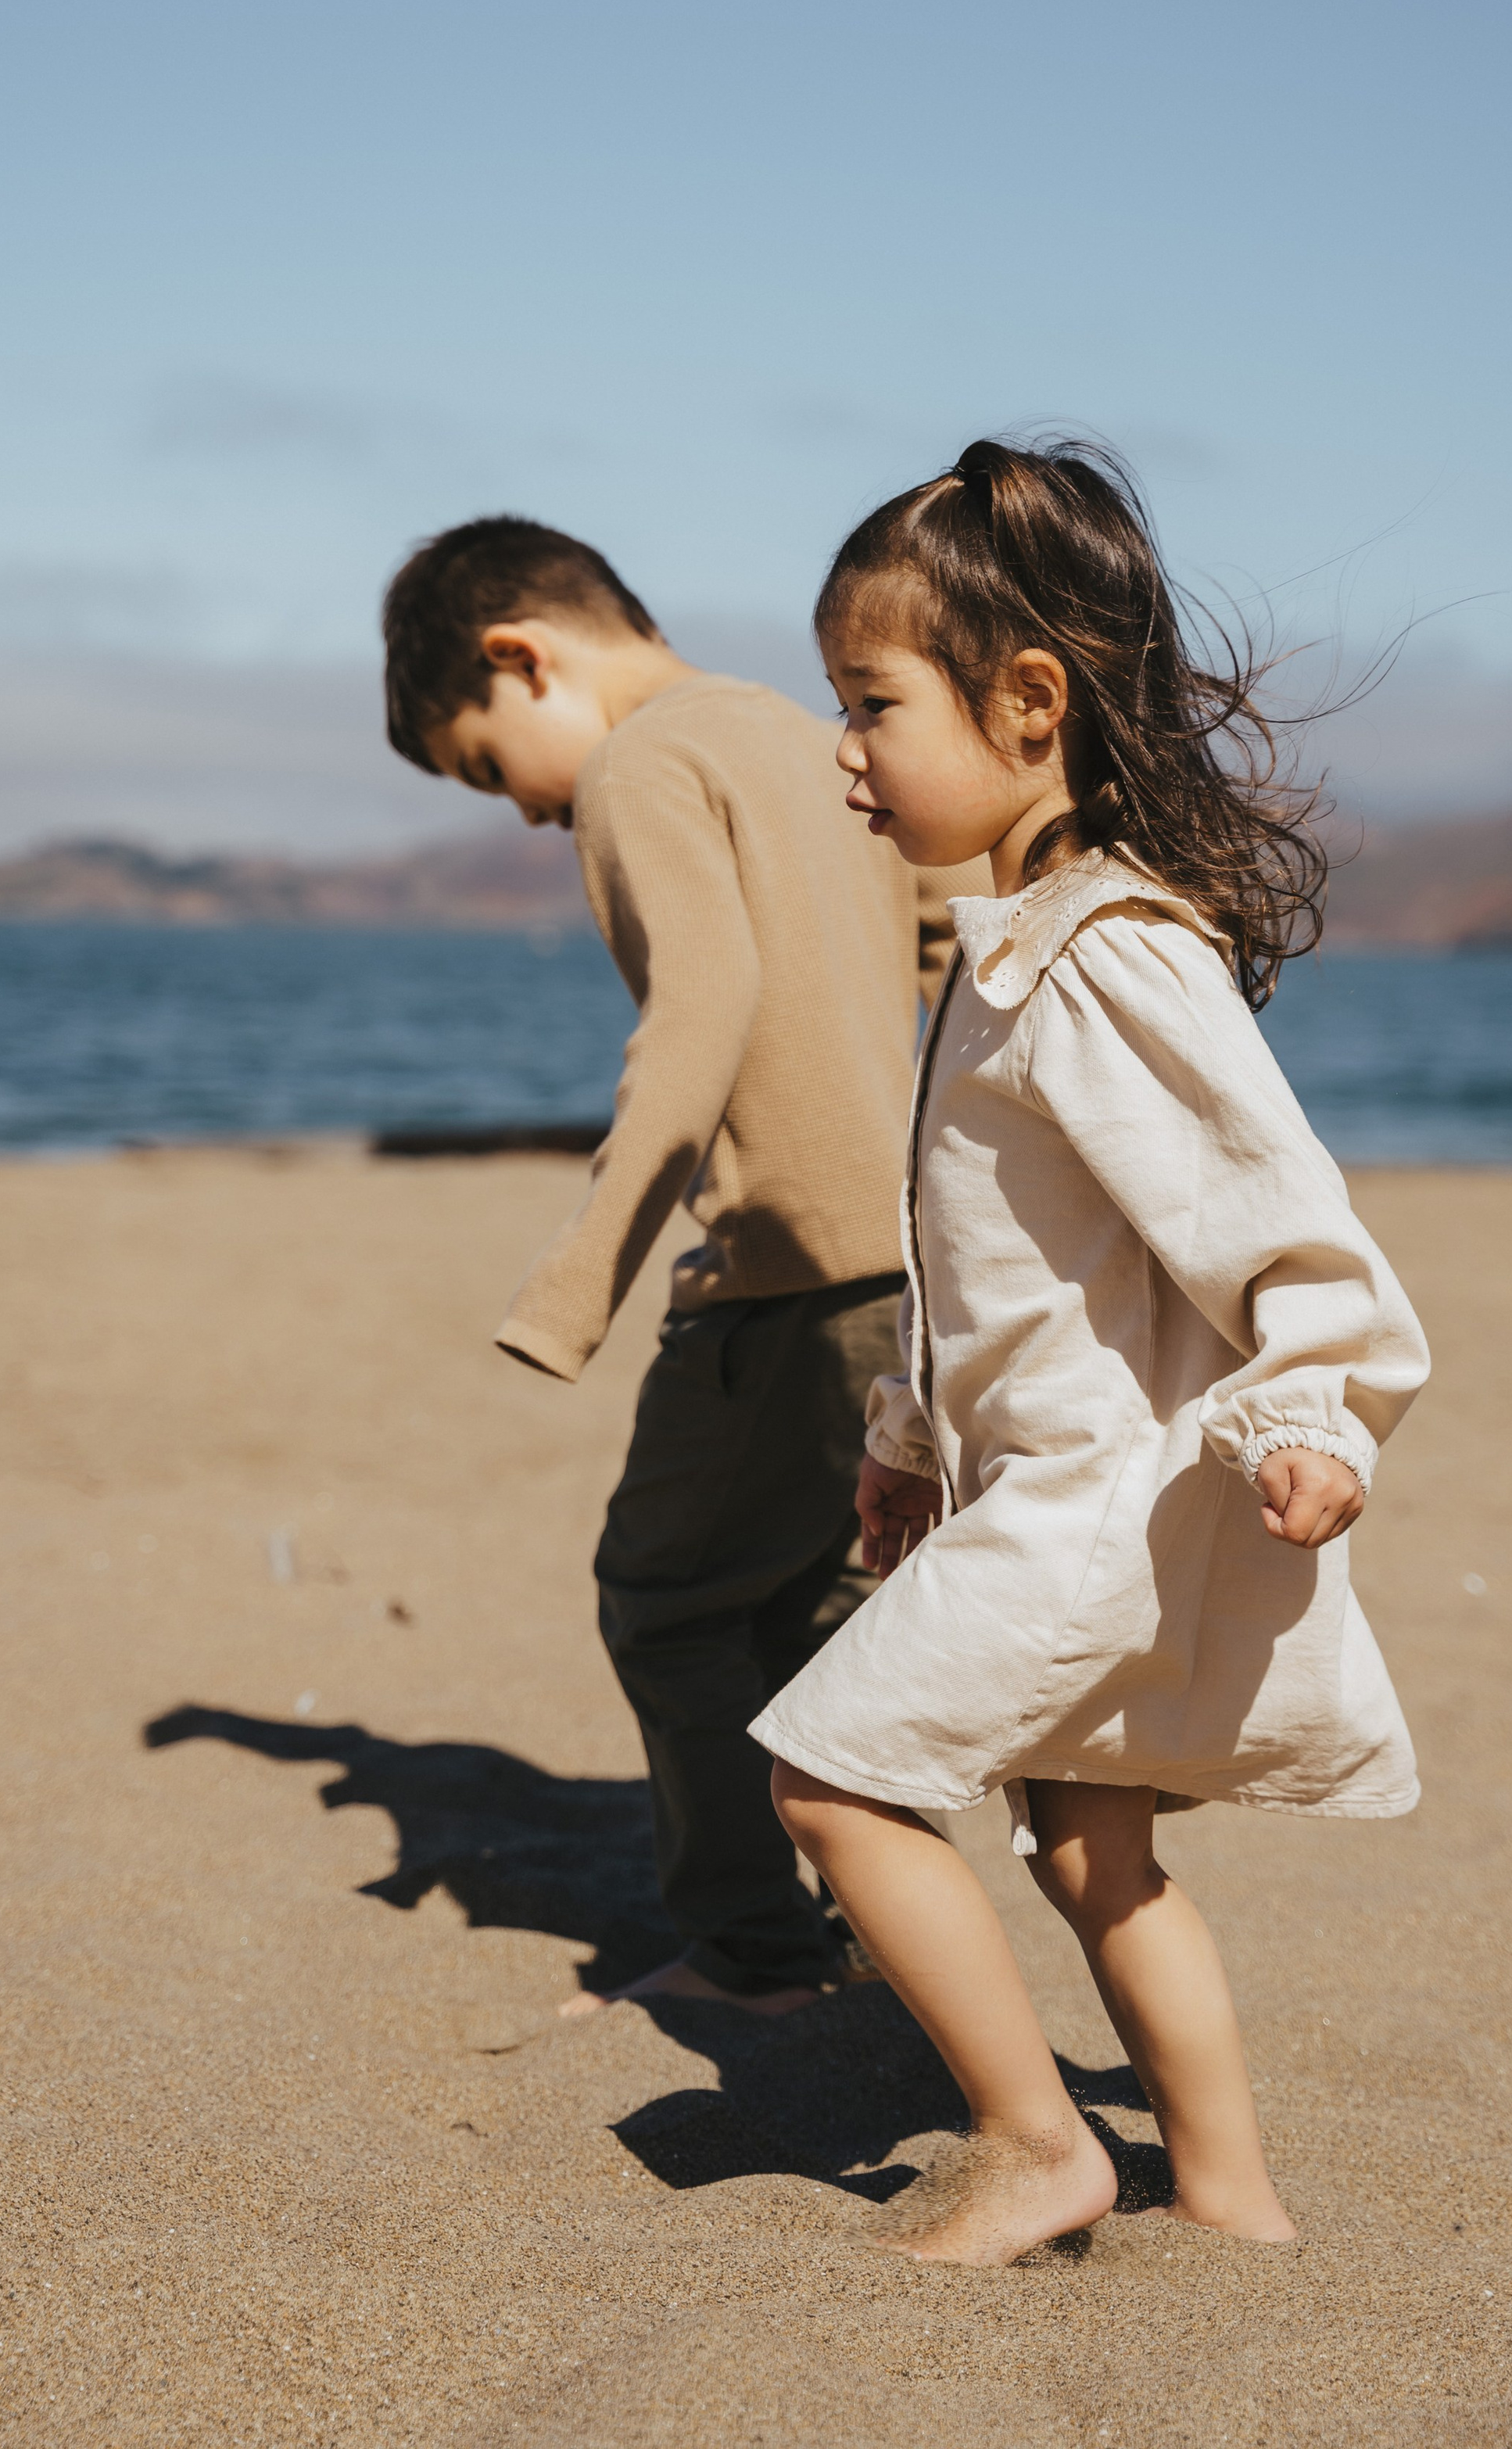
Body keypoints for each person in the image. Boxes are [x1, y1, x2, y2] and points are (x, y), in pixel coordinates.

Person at [753, 438, 1431, 2263]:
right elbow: (991, 1268)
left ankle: (1039, 2142)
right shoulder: (1004, 951)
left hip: (1092, 1511)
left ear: (1028, 700)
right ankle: (1228, 2200)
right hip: (1042, 1489)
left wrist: (1316, 1414)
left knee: (828, 1776)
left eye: (868, 703)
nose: (844, 751)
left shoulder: (1104, 955)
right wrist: (907, 1442)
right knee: (1088, 1854)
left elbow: (1283, 1223)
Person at [382, 515, 979, 2017]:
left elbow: (697, 1019)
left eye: (481, 762)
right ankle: (868, 1934)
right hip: (901, 1263)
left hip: (774, 1272)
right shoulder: (809, 736)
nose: (518, 812)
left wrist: (579, 1279)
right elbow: (928, 940)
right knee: (813, 1616)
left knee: (667, 1600)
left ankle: (759, 1956)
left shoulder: (641, 765)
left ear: (521, 657)